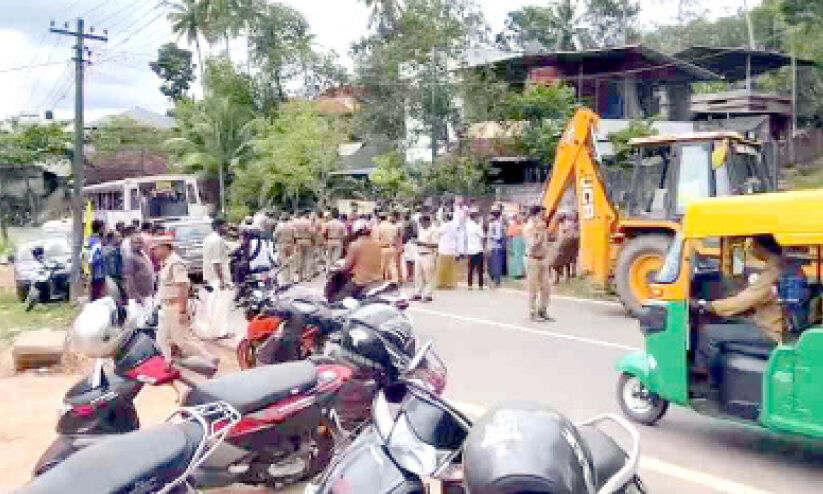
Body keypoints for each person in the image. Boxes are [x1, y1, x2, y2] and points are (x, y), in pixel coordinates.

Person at [695, 235, 785, 389]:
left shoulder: (773, 271)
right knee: (727, 322)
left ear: (761, 247)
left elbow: (740, 303)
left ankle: (708, 381)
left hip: (770, 332)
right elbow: (761, 298)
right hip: (772, 324)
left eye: (752, 244)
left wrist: (706, 305)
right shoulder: (780, 266)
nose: (751, 249)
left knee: (708, 332)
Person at [153, 234, 217, 365]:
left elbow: (182, 287)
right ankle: (168, 363)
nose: (154, 251)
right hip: (166, 307)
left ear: (166, 248)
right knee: (162, 338)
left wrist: (182, 311)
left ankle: (208, 358)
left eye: (156, 248)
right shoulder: (165, 263)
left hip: (175, 306)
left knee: (182, 339)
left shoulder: (176, 263)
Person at [198, 218, 232, 339]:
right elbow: (216, 262)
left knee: (212, 305)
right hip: (218, 278)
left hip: (210, 276)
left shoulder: (208, 239)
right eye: (225, 226)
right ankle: (220, 332)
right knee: (220, 306)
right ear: (219, 227)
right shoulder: (218, 241)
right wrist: (222, 281)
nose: (227, 229)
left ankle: (212, 331)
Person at [337, 223, 383, 299]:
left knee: (338, 299)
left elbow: (347, 266)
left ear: (356, 233)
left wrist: (339, 269)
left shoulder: (355, 245)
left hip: (361, 282)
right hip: (378, 280)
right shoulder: (378, 243)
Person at [523, 206, 553, 321]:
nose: (543, 217)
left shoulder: (542, 227)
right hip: (532, 259)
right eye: (541, 215)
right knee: (533, 288)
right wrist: (540, 234)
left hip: (543, 259)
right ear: (534, 216)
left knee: (546, 287)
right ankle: (532, 312)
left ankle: (543, 310)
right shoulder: (529, 228)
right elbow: (532, 246)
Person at [122, 233, 155, 308]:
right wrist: (136, 296)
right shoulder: (130, 258)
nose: (139, 245)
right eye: (136, 243)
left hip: (147, 294)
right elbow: (128, 278)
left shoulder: (143, 254)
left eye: (140, 242)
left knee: (147, 316)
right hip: (138, 298)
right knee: (139, 318)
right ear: (131, 244)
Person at [413, 213, 439, 302]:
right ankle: (418, 293)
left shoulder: (434, 230)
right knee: (418, 275)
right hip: (419, 254)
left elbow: (436, 244)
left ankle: (428, 294)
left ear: (427, 222)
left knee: (429, 276)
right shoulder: (421, 230)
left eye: (423, 223)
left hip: (428, 254)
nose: (422, 225)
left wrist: (422, 243)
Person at [436, 212, 458, 289]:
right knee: (450, 268)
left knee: (442, 268)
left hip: (444, 249)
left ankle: (441, 283)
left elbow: (437, 233)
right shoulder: (455, 226)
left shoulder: (445, 225)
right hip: (452, 249)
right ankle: (450, 284)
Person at [102, 231, 124, 303]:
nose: (121, 239)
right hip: (115, 279)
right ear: (111, 239)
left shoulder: (103, 249)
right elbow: (114, 269)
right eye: (118, 237)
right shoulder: (114, 251)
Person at [377, 212, 400, 282]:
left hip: (383, 248)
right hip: (392, 247)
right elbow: (396, 237)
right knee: (393, 266)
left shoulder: (379, 227)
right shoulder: (393, 226)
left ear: (379, 218)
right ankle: (395, 281)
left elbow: (377, 239)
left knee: (382, 267)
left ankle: (382, 282)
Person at [273, 212, 296, 284]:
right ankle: (291, 278)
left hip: (282, 244)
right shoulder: (292, 225)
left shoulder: (279, 226)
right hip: (290, 244)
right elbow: (295, 235)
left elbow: (274, 236)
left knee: (283, 261)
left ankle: (285, 279)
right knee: (291, 261)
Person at [87, 220, 106, 301]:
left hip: (93, 271)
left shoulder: (90, 239)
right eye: (104, 227)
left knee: (95, 293)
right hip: (98, 272)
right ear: (100, 228)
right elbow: (95, 257)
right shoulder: (96, 241)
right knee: (97, 295)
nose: (105, 229)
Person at [466, 211, 485, 290]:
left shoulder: (467, 226)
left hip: (470, 250)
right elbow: (482, 236)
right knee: (479, 269)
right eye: (478, 217)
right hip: (477, 249)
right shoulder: (477, 227)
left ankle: (470, 285)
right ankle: (480, 285)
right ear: (475, 218)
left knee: (471, 269)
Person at [292, 212, 314, 282]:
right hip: (307, 240)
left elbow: (292, 232)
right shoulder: (309, 222)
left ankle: (300, 277)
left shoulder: (295, 223)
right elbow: (312, 232)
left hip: (298, 241)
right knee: (308, 259)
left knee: (300, 259)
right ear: (306, 215)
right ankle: (308, 276)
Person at [487, 209, 506, 287]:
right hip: (492, 247)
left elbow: (499, 237)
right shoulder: (493, 224)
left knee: (496, 265)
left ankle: (496, 282)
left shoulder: (497, 224)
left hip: (496, 247)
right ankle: (495, 281)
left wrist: (491, 236)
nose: (489, 216)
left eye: (491, 214)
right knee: (493, 265)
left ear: (494, 216)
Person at [507, 213, 526, 279]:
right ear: (515, 218)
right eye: (519, 217)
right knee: (515, 258)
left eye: (521, 217)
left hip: (523, 243)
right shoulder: (512, 226)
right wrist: (509, 247)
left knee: (522, 258)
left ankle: (522, 273)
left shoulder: (524, 225)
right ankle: (516, 274)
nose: (520, 218)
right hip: (515, 243)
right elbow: (509, 237)